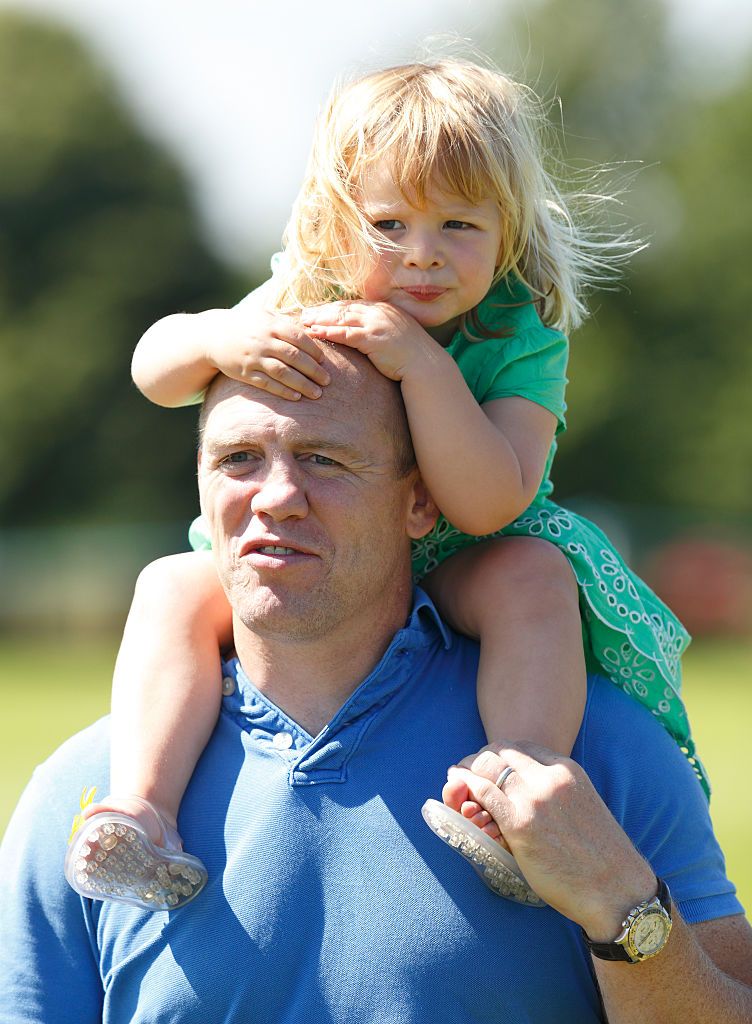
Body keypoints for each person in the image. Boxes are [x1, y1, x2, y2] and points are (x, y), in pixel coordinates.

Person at [66, 57, 704, 909]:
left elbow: (489, 500)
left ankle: (511, 795)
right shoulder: (307, 295)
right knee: (170, 588)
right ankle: (139, 812)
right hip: (317, 544)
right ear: (338, 225)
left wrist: (418, 364)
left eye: (459, 227)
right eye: (389, 224)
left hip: (471, 545)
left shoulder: (520, 335)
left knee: (533, 582)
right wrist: (219, 338)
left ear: (508, 230)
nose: (423, 256)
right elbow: (154, 371)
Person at [0, 350, 750, 1024]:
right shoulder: (96, 798)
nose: (276, 497)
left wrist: (625, 910)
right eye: (237, 459)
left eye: (324, 460)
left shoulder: (587, 756)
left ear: (420, 503)